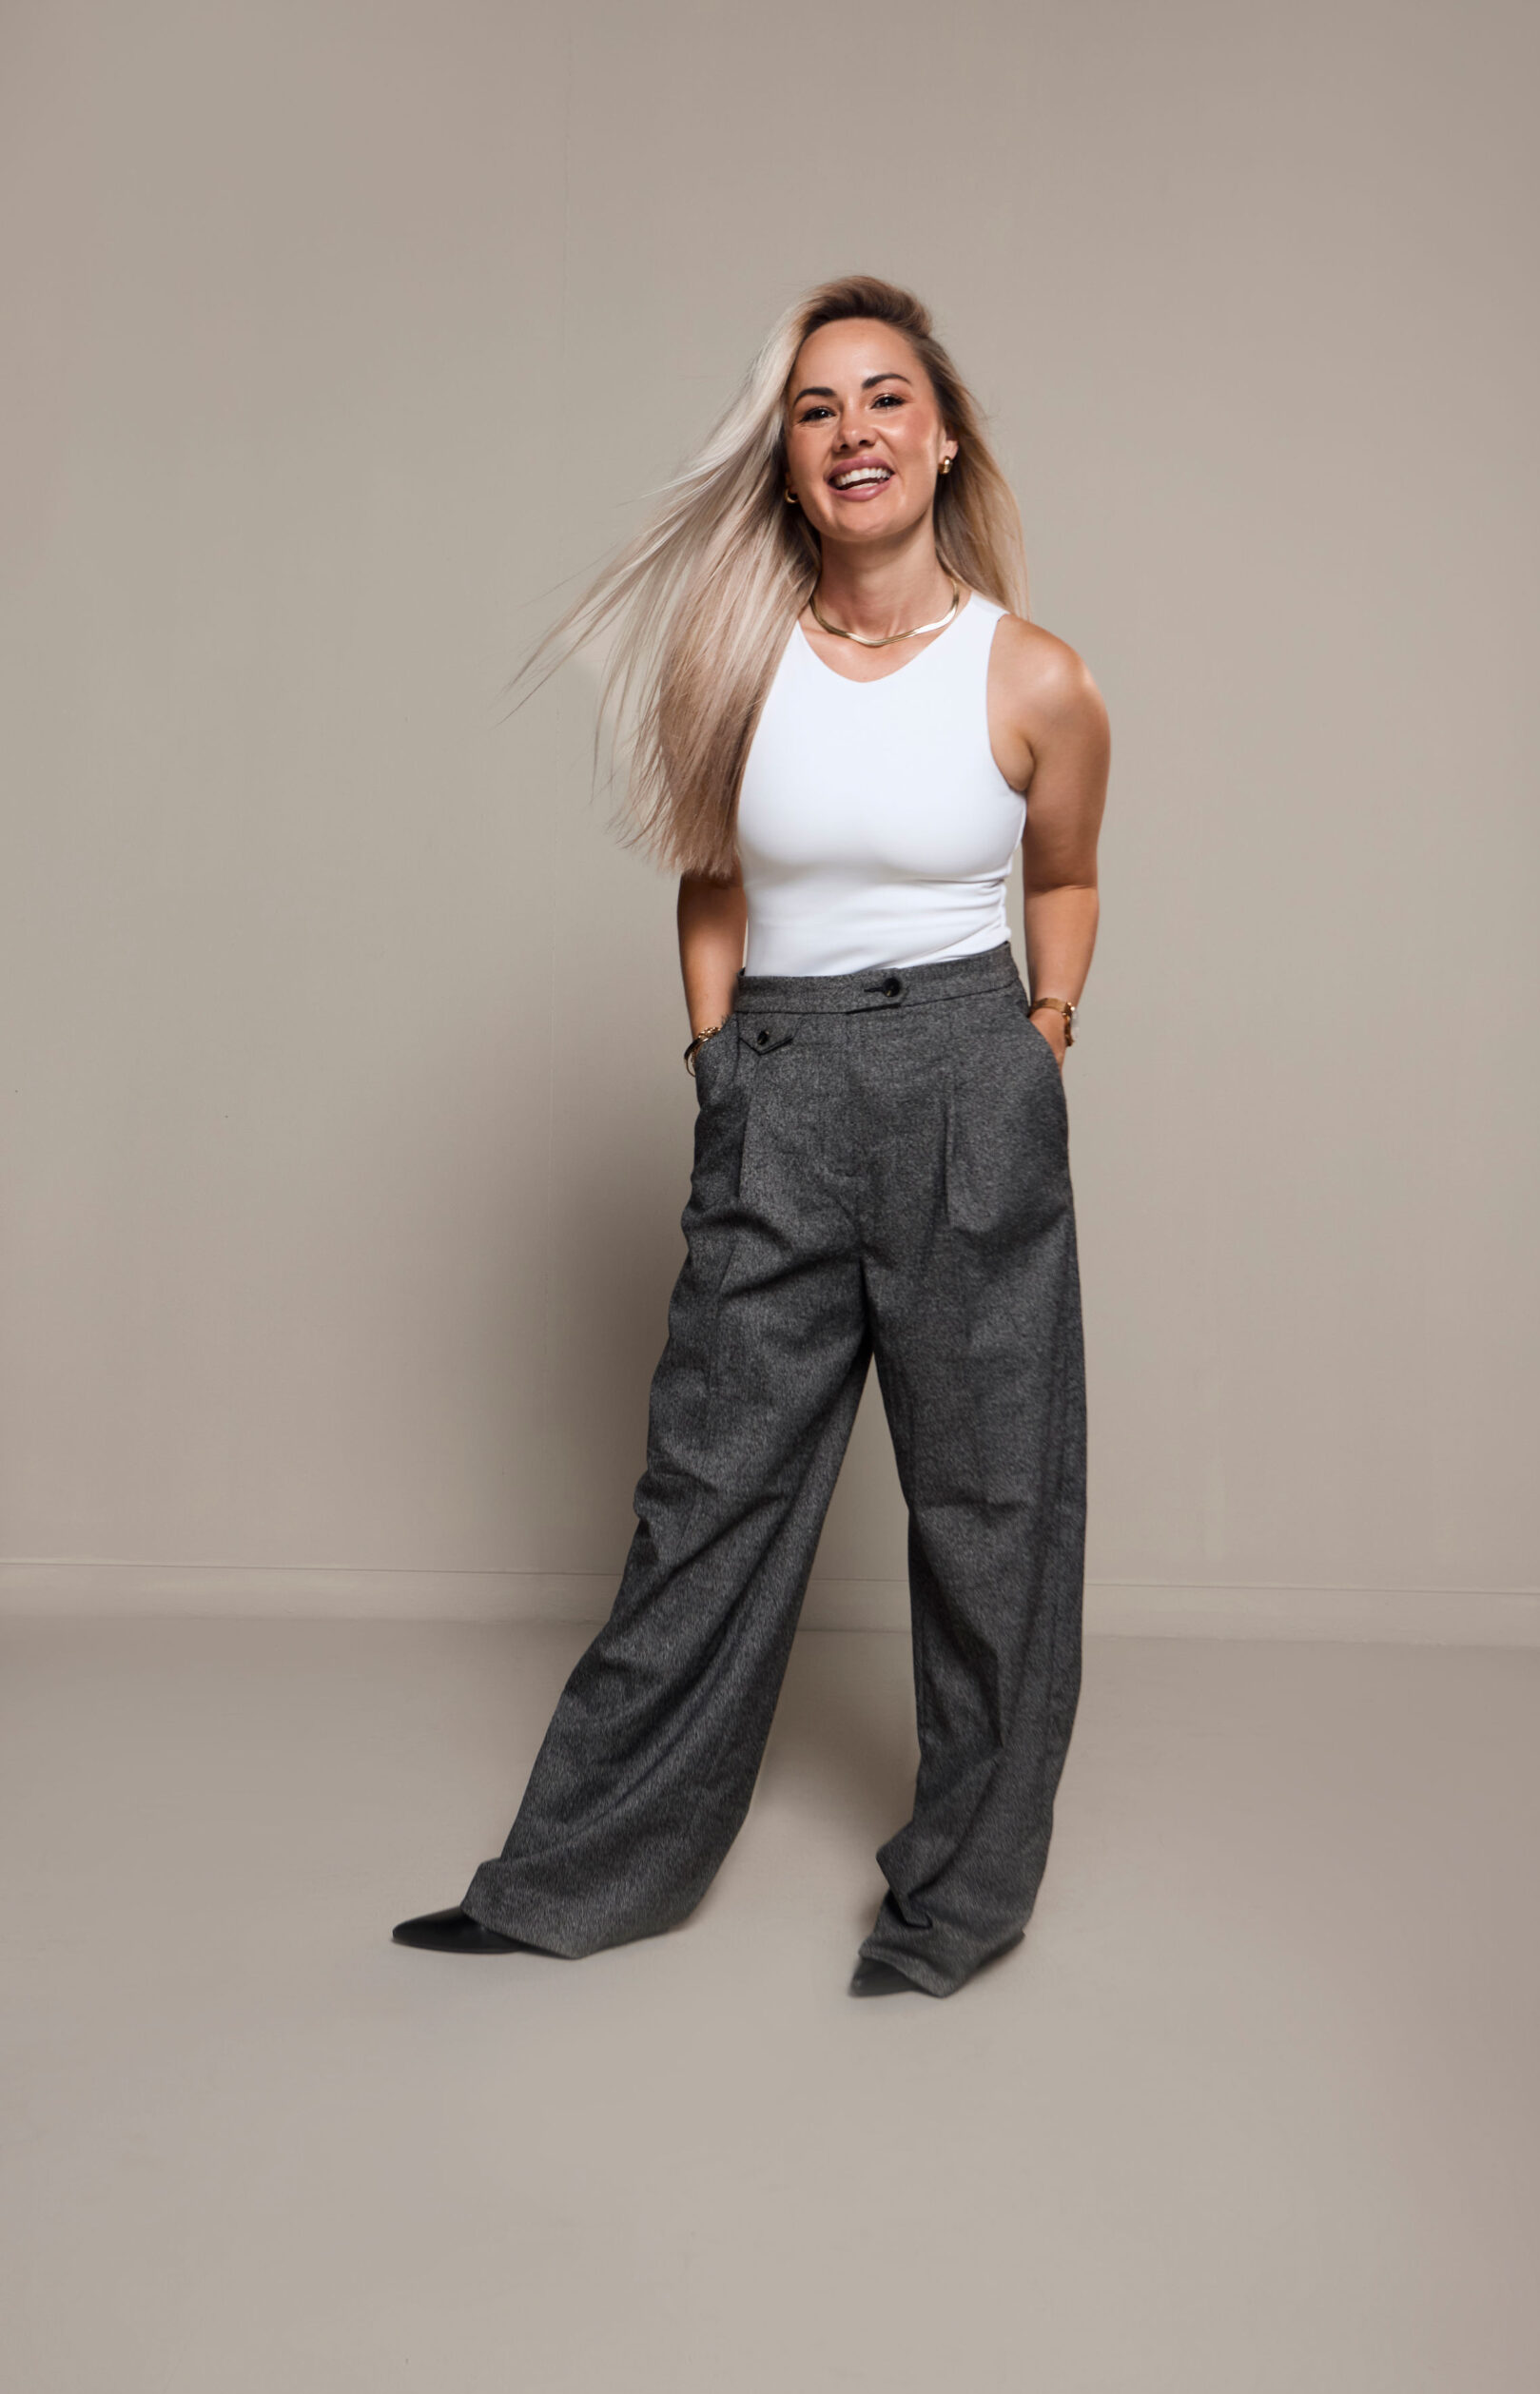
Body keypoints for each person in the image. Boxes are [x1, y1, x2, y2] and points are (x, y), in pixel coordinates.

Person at [393, 274, 1111, 1997]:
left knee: (996, 1507)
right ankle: (578, 1878)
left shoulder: (1036, 675)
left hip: (968, 1075)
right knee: (705, 1498)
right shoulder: (733, 664)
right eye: (815, 407)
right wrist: (719, 1061)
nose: (854, 430)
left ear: (945, 440)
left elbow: (1067, 874)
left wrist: (1040, 1039)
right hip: (778, 1086)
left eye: (886, 398)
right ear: (787, 458)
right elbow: (712, 883)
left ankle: (958, 1906)